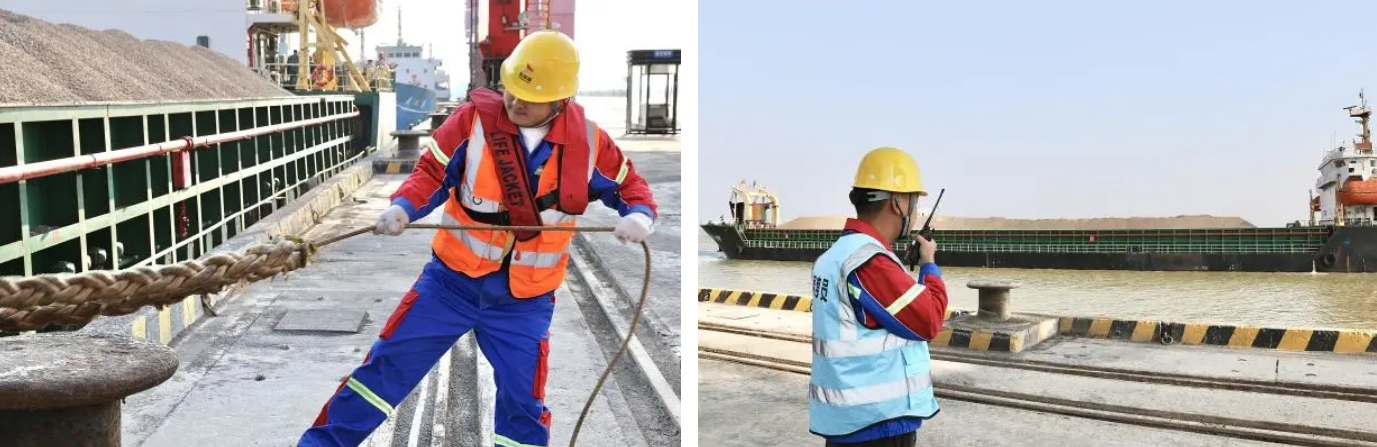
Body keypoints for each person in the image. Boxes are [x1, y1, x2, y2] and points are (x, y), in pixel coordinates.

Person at [299, 30, 658, 447]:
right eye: (511, 90)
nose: (515, 102)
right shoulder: (473, 123)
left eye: (530, 97)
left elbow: (630, 186)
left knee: (524, 405)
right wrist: (403, 207)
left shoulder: (591, 144)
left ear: (560, 100)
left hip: (524, 302)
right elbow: (431, 173)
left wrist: (639, 215)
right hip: (450, 285)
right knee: (383, 371)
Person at [808, 147, 949, 447]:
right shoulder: (870, 262)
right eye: (913, 200)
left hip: (848, 423)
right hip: (877, 425)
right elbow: (929, 320)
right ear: (897, 202)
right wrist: (929, 265)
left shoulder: (834, 257)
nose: (915, 210)